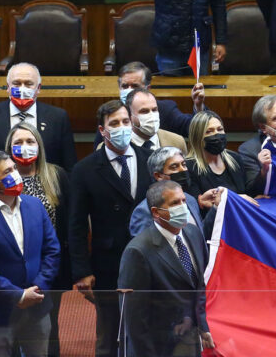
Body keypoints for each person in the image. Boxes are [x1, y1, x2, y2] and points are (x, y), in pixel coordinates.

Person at [69, 100, 152, 357]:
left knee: (146, 330)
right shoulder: (85, 169)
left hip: (148, 260)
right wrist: (82, 271)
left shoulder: (149, 160)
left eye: (125, 122)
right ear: (102, 130)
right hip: (108, 264)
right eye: (114, 124)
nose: (122, 127)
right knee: (109, 334)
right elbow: (77, 224)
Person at [0, 151, 60, 357]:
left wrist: (38, 288)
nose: (15, 174)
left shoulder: (35, 206)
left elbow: (52, 250)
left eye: (14, 168)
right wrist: (18, 295)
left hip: (37, 305)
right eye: (7, 171)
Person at [118, 180, 214, 357]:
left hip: (191, 340)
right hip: (159, 346)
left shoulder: (193, 234)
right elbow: (134, 319)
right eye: (175, 203)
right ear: (155, 212)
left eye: (184, 200)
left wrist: (202, 326)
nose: (183, 207)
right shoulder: (138, 251)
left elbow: (199, 286)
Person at [3, 122, 71, 356]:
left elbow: (70, 223)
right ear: (8, 148)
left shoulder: (56, 175)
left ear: (39, 146)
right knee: (11, 330)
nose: (25, 147)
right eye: (18, 143)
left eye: (30, 142)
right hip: (12, 270)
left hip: (49, 269)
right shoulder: (1, 179)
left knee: (47, 329)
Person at [0, 63, 77, 171]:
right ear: (8, 87)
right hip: (1, 184)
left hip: (46, 184)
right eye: (16, 84)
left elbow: (69, 164)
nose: (22, 89)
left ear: (38, 88)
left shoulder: (57, 117)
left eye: (28, 84)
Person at [93, 61, 204, 149]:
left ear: (148, 88)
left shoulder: (164, 109)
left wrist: (199, 106)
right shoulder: (111, 114)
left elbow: (192, 129)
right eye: (125, 86)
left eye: (135, 86)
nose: (129, 90)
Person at [129, 147, 204, 238]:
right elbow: (141, 248)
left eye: (183, 165)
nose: (183, 170)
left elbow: (200, 236)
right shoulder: (144, 210)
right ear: (158, 175)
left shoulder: (190, 200)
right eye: (174, 167)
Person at [185, 110, 250, 201]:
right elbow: (197, 205)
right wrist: (239, 199)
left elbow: (248, 192)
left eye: (220, 129)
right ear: (198, 137)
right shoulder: (189, 167)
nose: (216, 134)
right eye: (209, 132)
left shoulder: (234, 158)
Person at [98, 88, 188, 154]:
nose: (152, 115)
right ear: (130, 116)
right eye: (144, 111)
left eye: (154, 110)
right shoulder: (111, 146)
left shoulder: (177, 141)